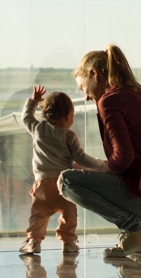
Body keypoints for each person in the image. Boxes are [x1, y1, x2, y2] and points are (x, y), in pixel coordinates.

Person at [58, 45, 141, 257]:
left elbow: (123, 159)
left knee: (67, 181)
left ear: (95, 74)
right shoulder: (133, 94)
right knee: (84, 177)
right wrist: (97, 170)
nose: (85, 97)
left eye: (83, 87)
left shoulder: (109, 100)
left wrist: (93, 172)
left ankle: (136, 229)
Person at [19, 85, 101, 255]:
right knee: (70, 215)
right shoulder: (69, 135)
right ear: (66, 116)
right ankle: (69, 242)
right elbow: (81, 158)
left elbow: (25, 117)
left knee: (38, 214)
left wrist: (34, 101)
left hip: (43, 184)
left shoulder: (38, 129)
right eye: (73, 114)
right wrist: (100, 164)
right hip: (64, 184)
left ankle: (34, 241)